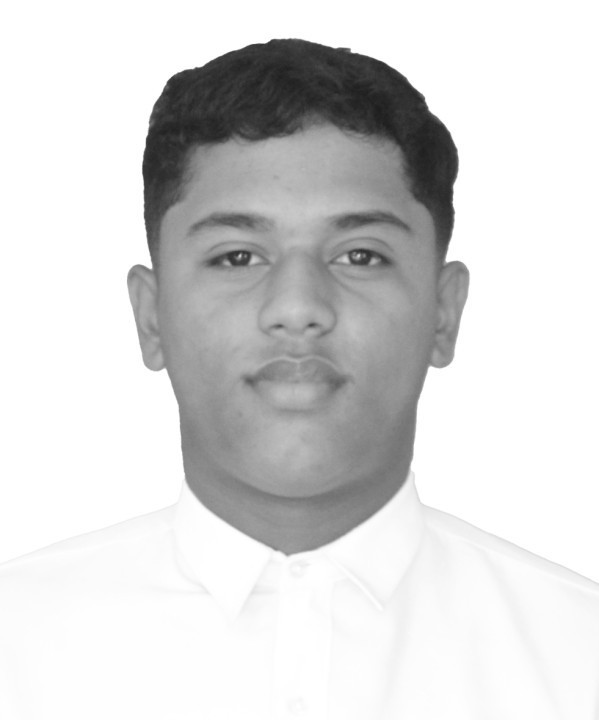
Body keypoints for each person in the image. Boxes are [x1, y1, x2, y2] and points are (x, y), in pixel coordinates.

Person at [0, 38, 597, 720]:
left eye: (360, 255)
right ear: (151, 317)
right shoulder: (14, 648)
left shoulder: (580, 659)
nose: (297, 307)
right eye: (237, 257)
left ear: (443, 312)